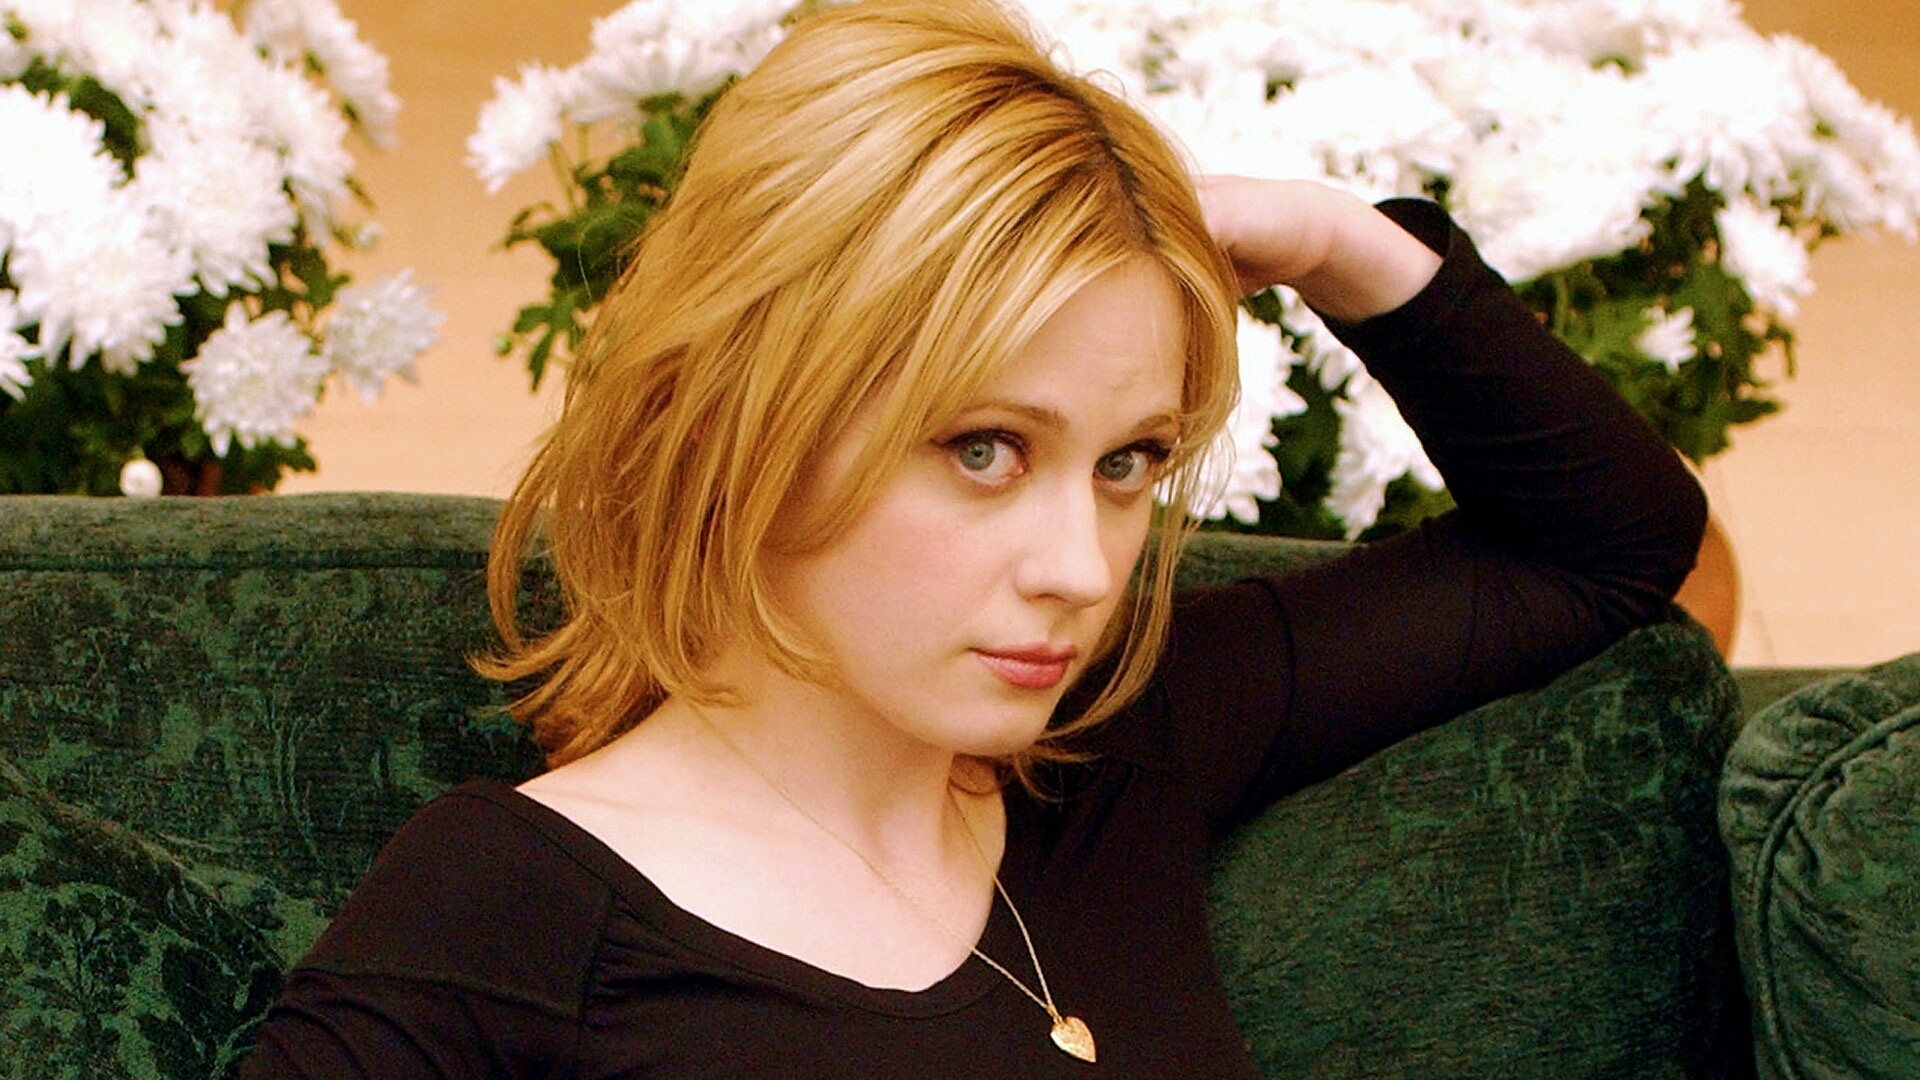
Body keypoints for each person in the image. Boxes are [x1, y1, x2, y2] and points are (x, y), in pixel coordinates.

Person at [239, 0, 1707, 1075]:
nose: (1081, 568)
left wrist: (1333, 240)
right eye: (983, 449)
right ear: (751, 420)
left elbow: (1610, 543)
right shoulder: (509, 910)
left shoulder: (1119, 750)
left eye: (1128, 463)